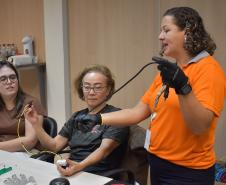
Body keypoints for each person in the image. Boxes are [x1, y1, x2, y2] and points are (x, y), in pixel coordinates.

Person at [76, 7, 226, 185]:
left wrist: (183, 88)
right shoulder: (171, 71)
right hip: (157, 162)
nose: (160, 36)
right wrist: (97, 118)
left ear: (187, 32)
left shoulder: (209, 69)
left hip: (187, 171)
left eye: (166, 30)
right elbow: (137, 112)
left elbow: (200, 126)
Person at [25, 64, 129, 177]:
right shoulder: (77, 117)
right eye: (87, 87)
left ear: (108, 90)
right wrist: (35, 124)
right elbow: (54, 146)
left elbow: (104, 150)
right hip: (73, 171)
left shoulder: (116, 116)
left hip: (98, 175)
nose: (91, 92)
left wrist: (79, 167)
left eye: (98, 87)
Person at [0, 60, 46, 152]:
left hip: (26, 152)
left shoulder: (31, 103)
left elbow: (30, 141)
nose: (9, 82)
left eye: (13, 77)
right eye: (3, 79)